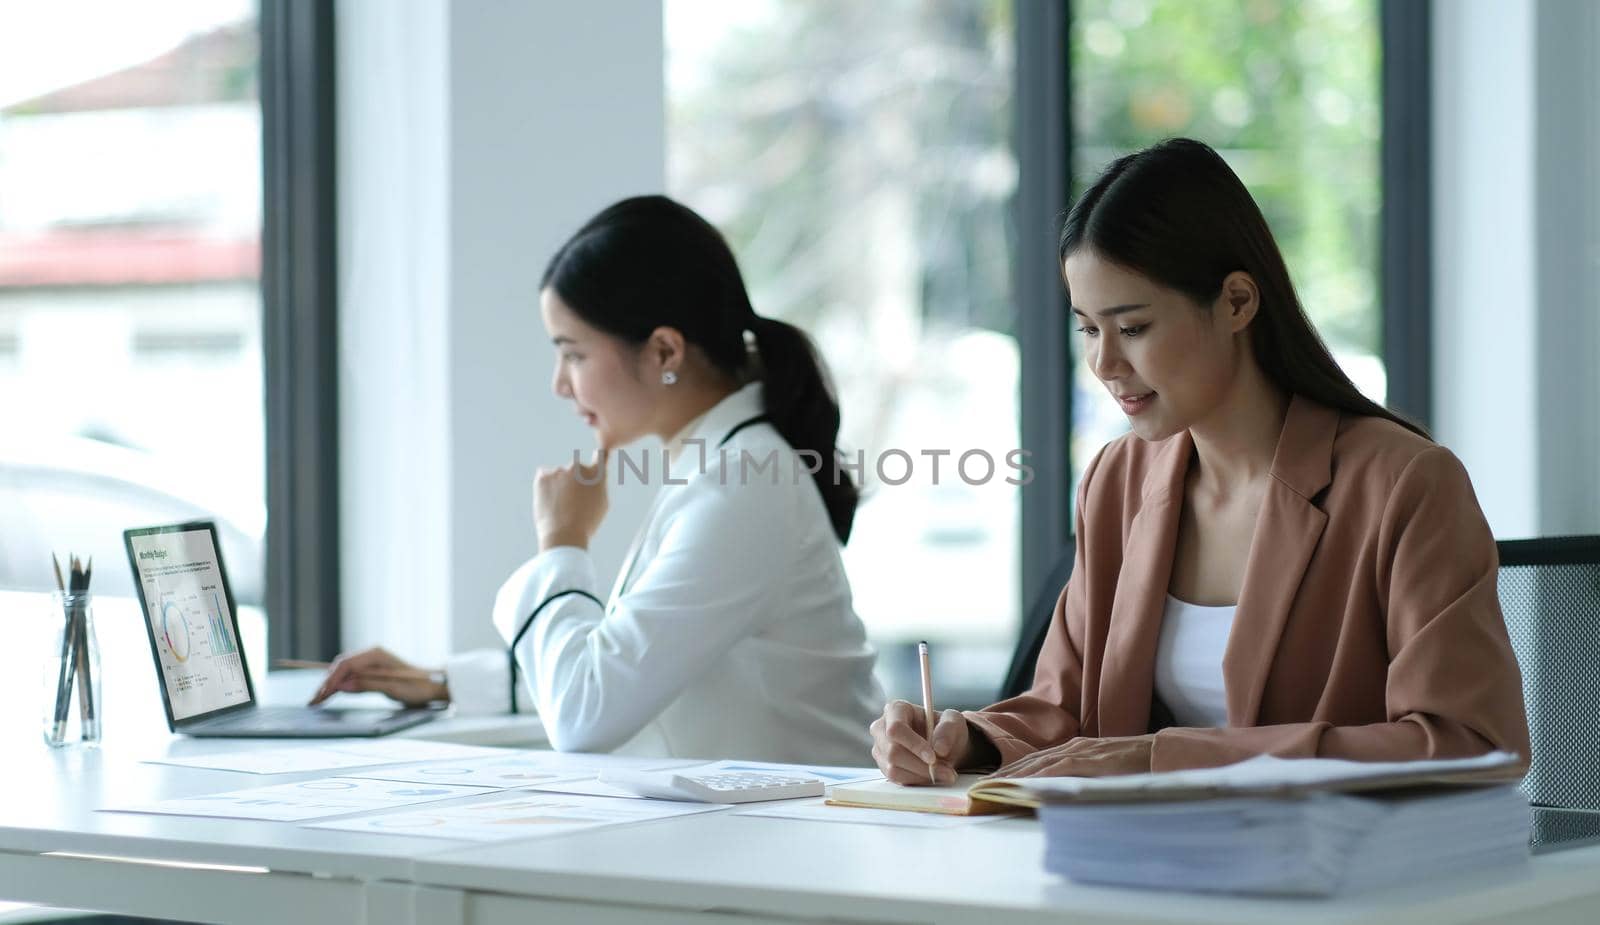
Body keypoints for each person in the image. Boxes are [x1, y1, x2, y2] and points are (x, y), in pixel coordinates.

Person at [870, 138, 1531, 784]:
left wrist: (1167, 757)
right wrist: (971, 738)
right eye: (1089, 329)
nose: (1104, 364)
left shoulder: (1404, 483)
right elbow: (1064, 711)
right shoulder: (1117, 481)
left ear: (1238, 301)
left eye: (1133, 328)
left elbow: (1471, 740)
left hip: (1341, 877)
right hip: (1150, 872)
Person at [314, 195, 884, 766]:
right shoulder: (730, 464)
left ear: (664, 351)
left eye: (574, 354)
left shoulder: (744, 486)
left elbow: (585, 713)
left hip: (795, 836)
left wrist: (562, 542)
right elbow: (638, 664)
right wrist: (447, 682)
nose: (560, 384)